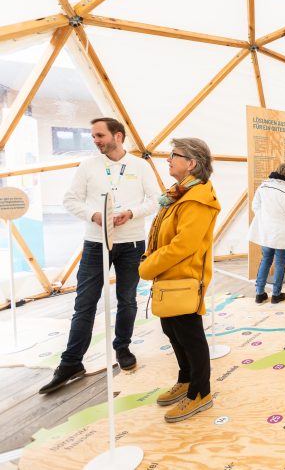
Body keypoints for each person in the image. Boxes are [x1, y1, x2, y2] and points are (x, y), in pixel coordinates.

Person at [39, 118, 160, 394]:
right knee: (85, 303)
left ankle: (123, 348)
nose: (95, 140)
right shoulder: (87, 166)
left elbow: (155, 199)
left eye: (99, 135)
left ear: (117, 136)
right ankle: (71, 362)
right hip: (95, 243)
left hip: (130, 243)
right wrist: (94, 215)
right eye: (93, 136)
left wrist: (131, 213)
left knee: (127, 299)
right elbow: (70, 200)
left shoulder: (140, 166)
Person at [139, 137, 221, 423]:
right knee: (172, 332)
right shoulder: (179, 193)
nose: (168, 159)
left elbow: (183, 245)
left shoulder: (197, 200)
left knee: (191, 337)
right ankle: (186, 381)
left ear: (191, 163)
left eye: (174, 155)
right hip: (168, 277)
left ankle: (200, 394)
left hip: (183, 279)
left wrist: (148, 266)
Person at [248, 163, 285, 304]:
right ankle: (276, 295)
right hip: (282, 233)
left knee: (265, 260)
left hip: (266, 232)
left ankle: (259, 294)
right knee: (280, 263)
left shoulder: (263, 187)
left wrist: (265, 219)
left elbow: (255, 206)